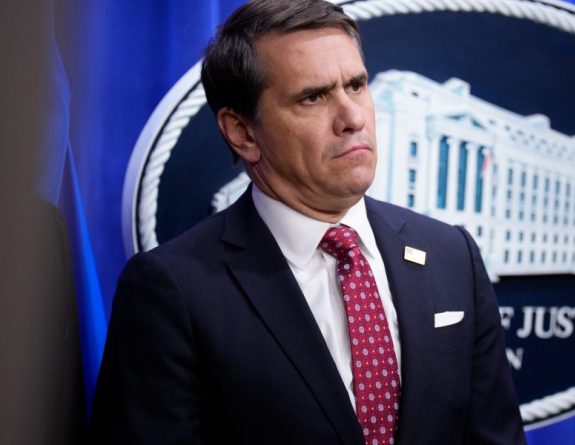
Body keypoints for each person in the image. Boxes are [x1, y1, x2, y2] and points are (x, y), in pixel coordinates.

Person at [90, 0, 524, 443]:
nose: (353, 118)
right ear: (242, 132)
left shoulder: (452, 256)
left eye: (356, 86)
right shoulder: (173, 291)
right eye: (313, 97)